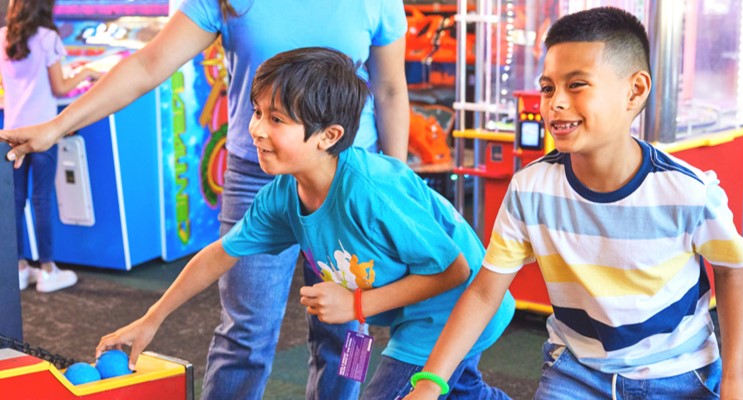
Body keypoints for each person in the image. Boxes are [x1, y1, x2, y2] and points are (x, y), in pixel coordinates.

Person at [0, 1, 409, 398]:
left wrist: (393, 188)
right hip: (258, 173)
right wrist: (57, 126)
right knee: (247, 332)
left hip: (349, 180)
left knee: (348, 333)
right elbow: (148, 64)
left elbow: (390, 90)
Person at [95, 47, 515, 400]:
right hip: (413, 315)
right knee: (463, 390)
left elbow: (455, 270)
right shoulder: (283, 195)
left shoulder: (372, 189)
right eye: (257, 112)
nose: (256, 129)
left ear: (328, 136)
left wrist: (355, 306)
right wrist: (152, 317)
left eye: (276, 119)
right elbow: (219, 255)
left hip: (454, 312)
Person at [405, 7, 743, 400]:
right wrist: (430, 385)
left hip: (679, 373)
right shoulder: (530, 189)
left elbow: (731, 270)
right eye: (548, 87)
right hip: (577, 373)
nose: (555, 103)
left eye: (577, 85)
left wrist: (734, 380)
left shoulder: (687, 191)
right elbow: (486, 292)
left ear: (635, 91)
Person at [1, 0, 100, 293]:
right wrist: (88, 72)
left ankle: (19, 267)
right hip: (43, 130)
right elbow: (61, 87)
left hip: (13, 130)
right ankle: (47, 270)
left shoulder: (4, 36)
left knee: (16, 200)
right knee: (42, 198)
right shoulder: (48, 37)